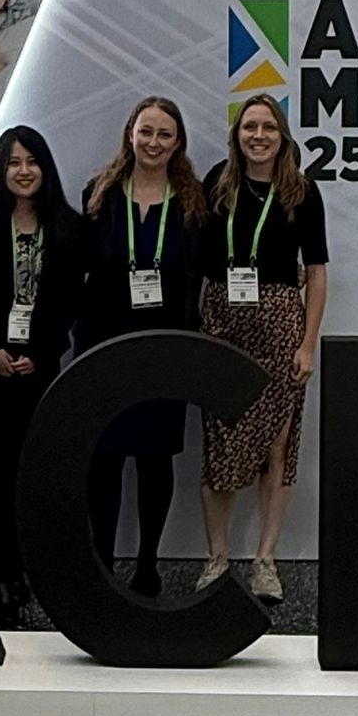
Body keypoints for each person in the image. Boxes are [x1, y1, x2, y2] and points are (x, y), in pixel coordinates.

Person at [193, 95, 329, 606]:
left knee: (277, 445)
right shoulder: (217, 183)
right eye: (249, 127)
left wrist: (307, 344)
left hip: (280, 325)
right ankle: (217, 558)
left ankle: (265, 561)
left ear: (282, 135)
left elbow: (316, 272)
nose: (258, 136)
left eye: (268, 127)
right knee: (221, 443)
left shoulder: (302, 191)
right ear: (237, 135)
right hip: (222, 323)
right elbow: (198, 259)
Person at [78, 97, 207, 597]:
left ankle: (149, 562)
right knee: (105, 459)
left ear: (178, 143)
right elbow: (84, 272)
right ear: (130, 134)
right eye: (146, 132)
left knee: (155, 459)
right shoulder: (100, 194)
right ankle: (103, 562)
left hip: (166, 350)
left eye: (164, 134)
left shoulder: (194, 201)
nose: (154, 143)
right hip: (107, 346)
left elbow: (204, 270)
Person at [0, 126, 87, 625]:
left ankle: (26, 568)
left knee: (30, 475)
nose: (23, 171)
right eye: (13, 162)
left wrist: (42, 350)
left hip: (40, 371)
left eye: (31, 161)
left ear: (45, 167)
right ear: (1, 169)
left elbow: (70, 302)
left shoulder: (68, 227)